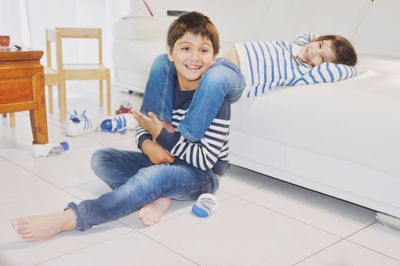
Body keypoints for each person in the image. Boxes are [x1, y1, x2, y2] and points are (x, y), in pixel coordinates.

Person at [11, 11, 231, 242]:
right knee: (102, 158)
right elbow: (144, 126)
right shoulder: (165, 86)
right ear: (170, 52)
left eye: (204, 50)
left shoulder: (215, 98)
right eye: (186, 48)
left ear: (213, 57)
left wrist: (162, 138)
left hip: (201, 175)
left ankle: (71, 218)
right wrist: (148, 145)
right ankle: (155, 196)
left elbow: (206, 161)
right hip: (165, 160)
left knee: (151, 178)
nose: (194, 57)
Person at [141, 32, 358, 142]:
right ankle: (157, 122)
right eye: (319, 45)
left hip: (236, 78)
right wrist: (322, 42)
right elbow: (310, 35)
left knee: (215, 79)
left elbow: (344, 70)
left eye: (322, 57)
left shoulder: (304, 72)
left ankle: (183, 137)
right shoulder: (299, 44)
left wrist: (338, 60)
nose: (314, 52)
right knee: (164, 62)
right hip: (218, 63)